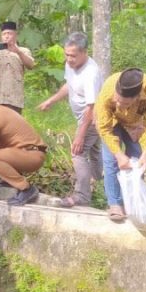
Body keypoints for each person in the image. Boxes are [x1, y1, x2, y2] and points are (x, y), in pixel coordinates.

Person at [37, 32, 104, 208]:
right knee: (95, 151)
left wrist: (80, 135)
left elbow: (92, 108)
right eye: (67, 54)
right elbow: (69, 85)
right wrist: (50, 100)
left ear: (84, 53)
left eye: (73, 55)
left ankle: (82, 195)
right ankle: (101, 186)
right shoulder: (71, 65)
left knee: (78, 152)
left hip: (92, 118)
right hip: (85, 117)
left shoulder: (91, 73)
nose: (69, 59)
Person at [95, 68, 146, 221]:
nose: (118, 103)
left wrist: (145, 153)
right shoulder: (107, 91)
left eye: (123, 102)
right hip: (112, 122)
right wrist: (119, 155)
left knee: (137, 161)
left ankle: (133, 203)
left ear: (137, 98)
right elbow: (104, 129)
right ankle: (115, 204)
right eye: (116, 100)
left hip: (135, 122)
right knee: (111, 160)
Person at [0, 21, 35, 114]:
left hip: (15, 99)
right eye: (4, 34)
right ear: (1, 36)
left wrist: (18, 52)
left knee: (13, 126)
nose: (7, 36)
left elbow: (31, 65)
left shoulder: (23, 51)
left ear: (15, 35)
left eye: (10, 33)